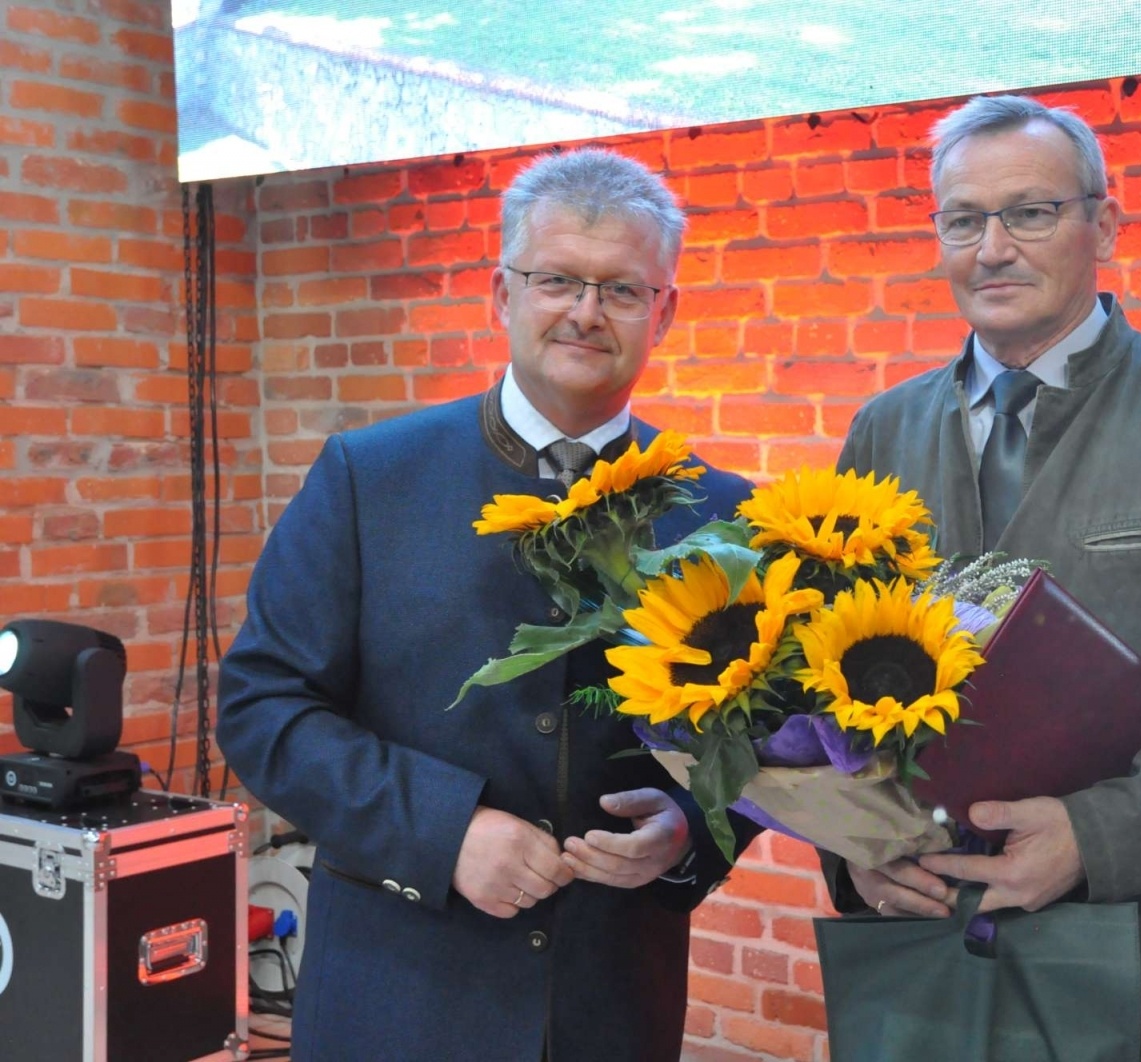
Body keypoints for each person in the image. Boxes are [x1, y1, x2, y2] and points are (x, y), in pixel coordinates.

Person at [827, 95, 1141, 1058]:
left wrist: (1095, 837)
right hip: (931, 949)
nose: (992, 248)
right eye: (962, 220)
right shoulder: (881, 433)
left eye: (1029, 212)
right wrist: (853, 852)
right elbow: (824, 689)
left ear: (1103, 224)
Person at [219, 148, 757, 1062]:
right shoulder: (368, 477)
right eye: (556, 280)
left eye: (621, 290)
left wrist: (692, 829)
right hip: (398, 1002)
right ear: (503, 295)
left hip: (614, 1007)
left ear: (663, 312)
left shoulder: (725, 512)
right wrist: (444, 829)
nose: (585, 313)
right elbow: (262, 707)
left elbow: (762, 739)